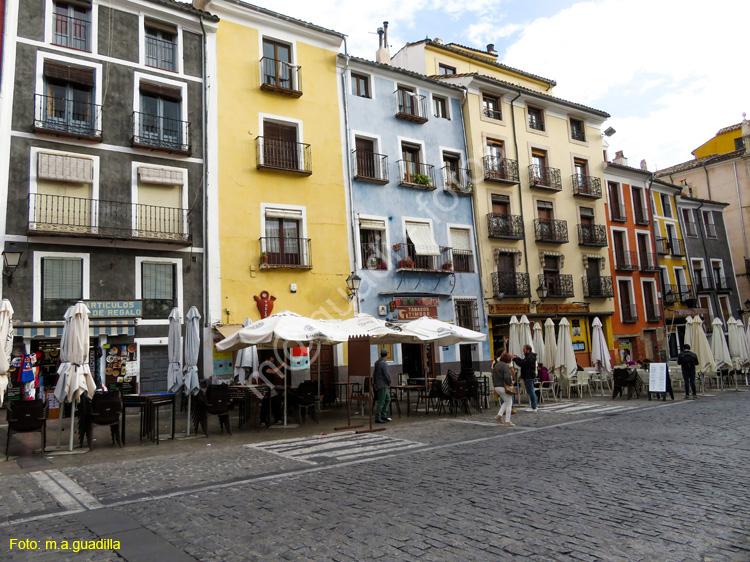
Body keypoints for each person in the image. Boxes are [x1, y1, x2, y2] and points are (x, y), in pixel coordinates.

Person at [257, 356, 286, 425]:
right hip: (266, 387)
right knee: (266, 404)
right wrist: (282, 365)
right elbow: (272, 372)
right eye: (271, 361)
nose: (272, 363)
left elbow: (274, 373)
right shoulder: (264, 366)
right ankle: (264, 420)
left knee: (274, 402)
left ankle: (277, 419)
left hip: (271, 387)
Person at [512, 344, 538, 412]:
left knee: (531, 391)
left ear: (528, 350)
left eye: (524, 349)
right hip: (528, 376)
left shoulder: (530, 357)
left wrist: (515, 359)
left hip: (529, 376)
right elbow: (523, 361)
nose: (523, 351)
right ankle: (533, 405)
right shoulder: (529, 356)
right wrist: (517, 358)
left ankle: (534, 407)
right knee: (530, 391)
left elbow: (522, 364)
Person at [492, 352, 515, 426]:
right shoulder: (505, 366)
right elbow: (507, 377)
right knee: (509, 402)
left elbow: (493, 376)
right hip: (503, 386)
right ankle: (507, 421)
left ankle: (499, 415)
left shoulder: (496, 365)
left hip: (497, 386)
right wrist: (510, 383)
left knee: (506, 401)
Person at [372, 348, 392, 423]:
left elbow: (374, 374)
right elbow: (386, 373)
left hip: (379, 383)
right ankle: (378, 417)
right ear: (386, 355)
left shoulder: (377, 362)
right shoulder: (383, 363)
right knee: (381, 401)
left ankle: (383, 415)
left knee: (388, 399)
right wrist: (389, 380)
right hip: (383, 384)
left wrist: (374, 382)